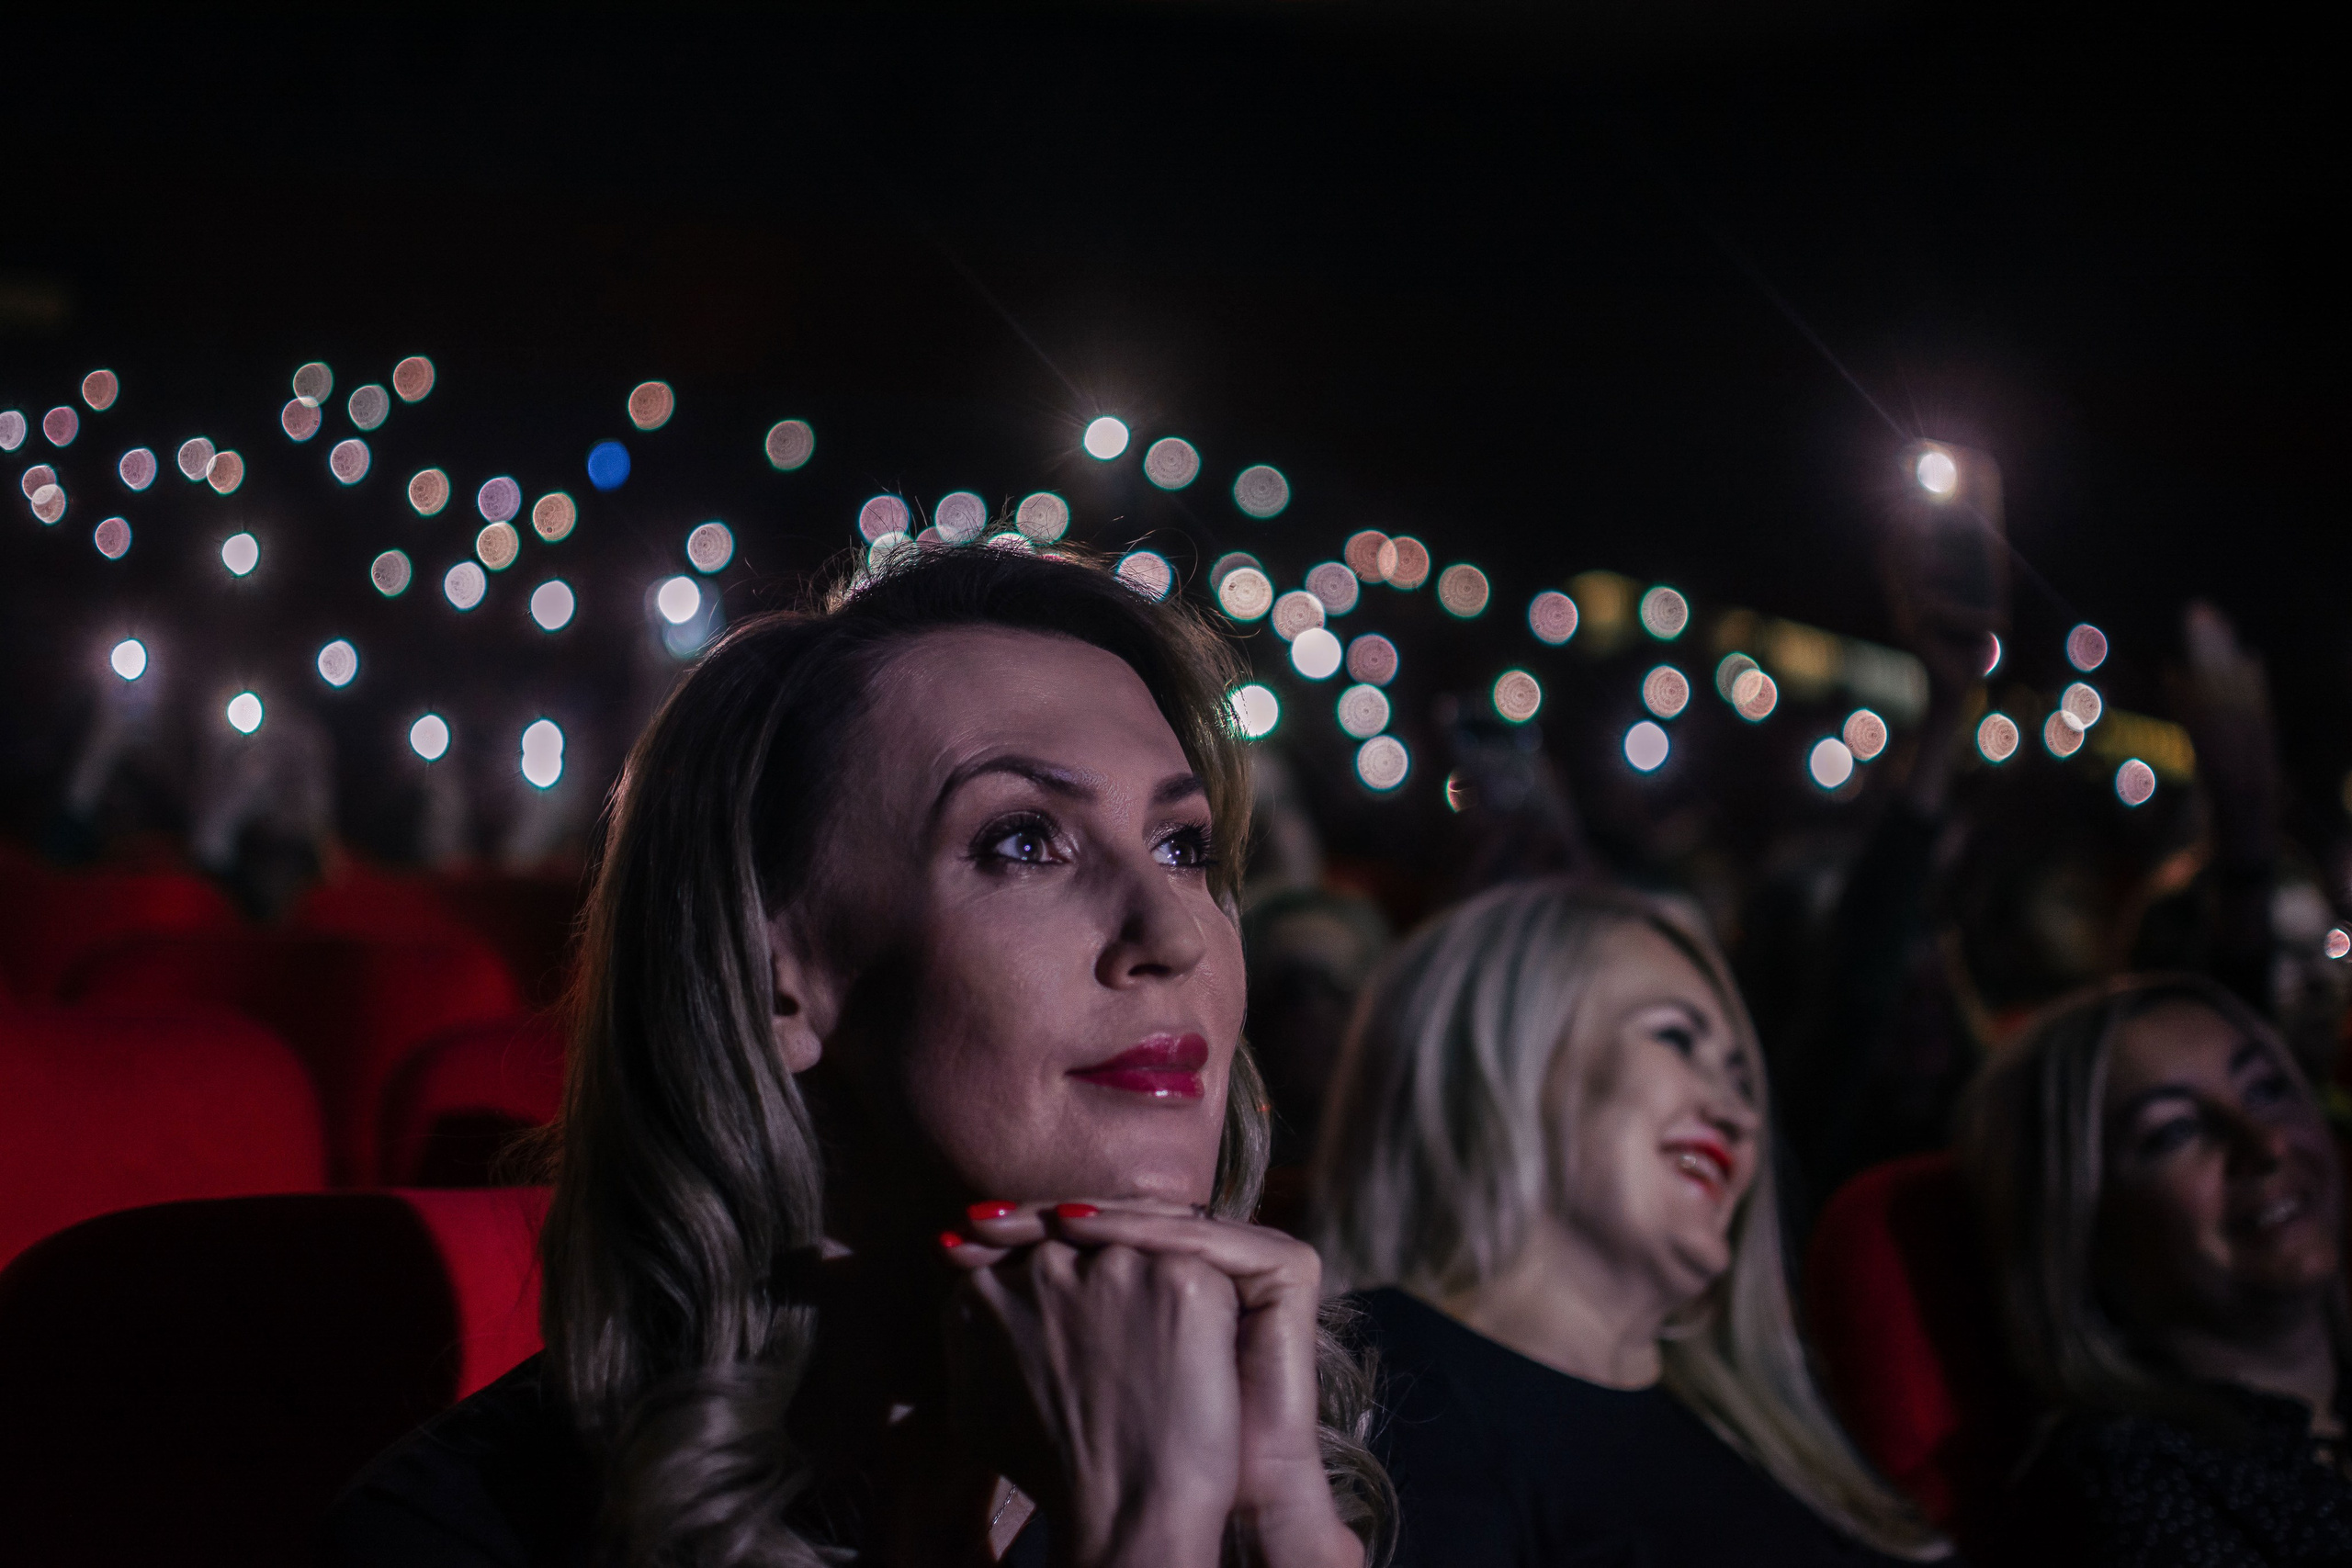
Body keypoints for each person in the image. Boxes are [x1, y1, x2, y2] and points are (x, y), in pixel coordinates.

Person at [326, 545, 1388, 1567]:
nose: (1174, 933)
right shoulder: (466, 1529)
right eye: (1023, 840)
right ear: (776, 976)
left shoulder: (1408, 1452)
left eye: (1182, 847)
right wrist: (1150, 1533)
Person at [1315, 878, 1946, 1565]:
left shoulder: (1770, 1431)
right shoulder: (1379, 1392)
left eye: (1739, 1077)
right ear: (1507, 1048)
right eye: (1677, 1038)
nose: (1740, 1116)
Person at [1959, 974, 2352, 1566]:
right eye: (2175, 1131)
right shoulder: (2129, 1481)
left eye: (2268, 1089)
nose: (2265, 1144)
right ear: (2080, 1231)